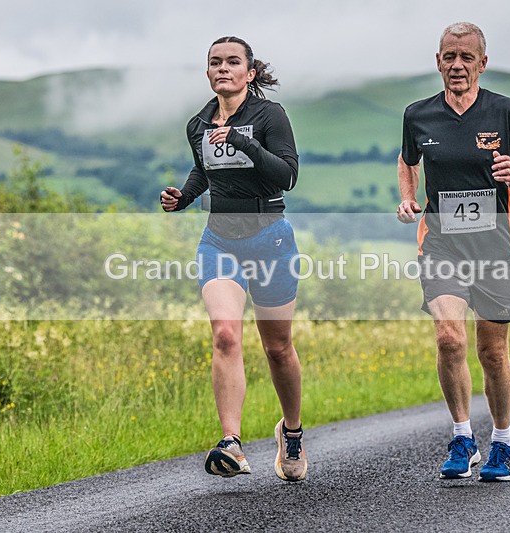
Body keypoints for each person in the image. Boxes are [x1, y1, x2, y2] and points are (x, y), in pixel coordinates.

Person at [160, 36, 307, 482]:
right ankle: (232, 442)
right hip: (219, 241)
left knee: (277, 348)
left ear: (250, 72)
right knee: (225, 333)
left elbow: (287, 175)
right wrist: (183, 196)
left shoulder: (270, 116)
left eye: (232, 62)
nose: (223, 68)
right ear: (208, 72)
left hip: (270, 240)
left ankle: (293, 433)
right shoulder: (198, 124)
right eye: (215, 62)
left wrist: (245, 143)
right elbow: (203, 172)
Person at [397, 22, 510, 482]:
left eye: (466, 57)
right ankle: (462, 436)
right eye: (449, 56)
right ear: (438, 60)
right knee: (449, 338)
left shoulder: (508, 112)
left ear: (482, 63)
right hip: (440, 242)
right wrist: (408, 197)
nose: (457, 65)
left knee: (492, 351)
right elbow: (408, 159)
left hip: (492, 244)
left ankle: (503, 442)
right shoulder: (419, 115)